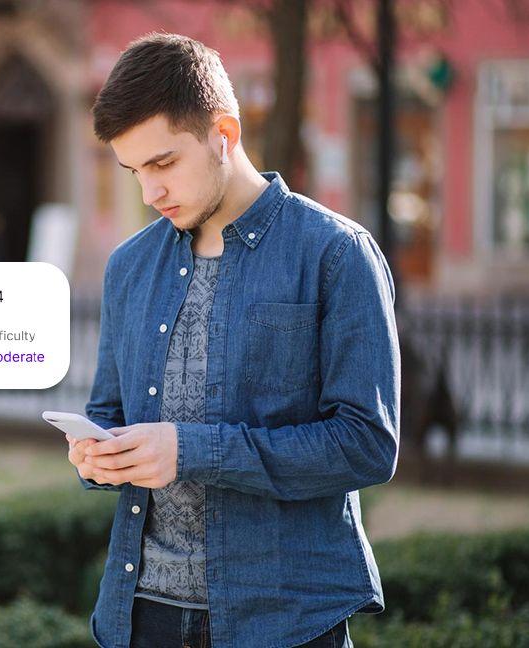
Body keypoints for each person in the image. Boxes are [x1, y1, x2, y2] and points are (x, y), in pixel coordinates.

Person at [67, 34, 399, 648]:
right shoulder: (129, 267)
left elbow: (367, 446)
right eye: (134, 171)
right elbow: (108, 416)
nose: (150, 193)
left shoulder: (334, 254)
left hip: (285, 618)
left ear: (224, 132)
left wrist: (192, 451)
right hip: (142, 617)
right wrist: (98, 459)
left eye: (164, 164)